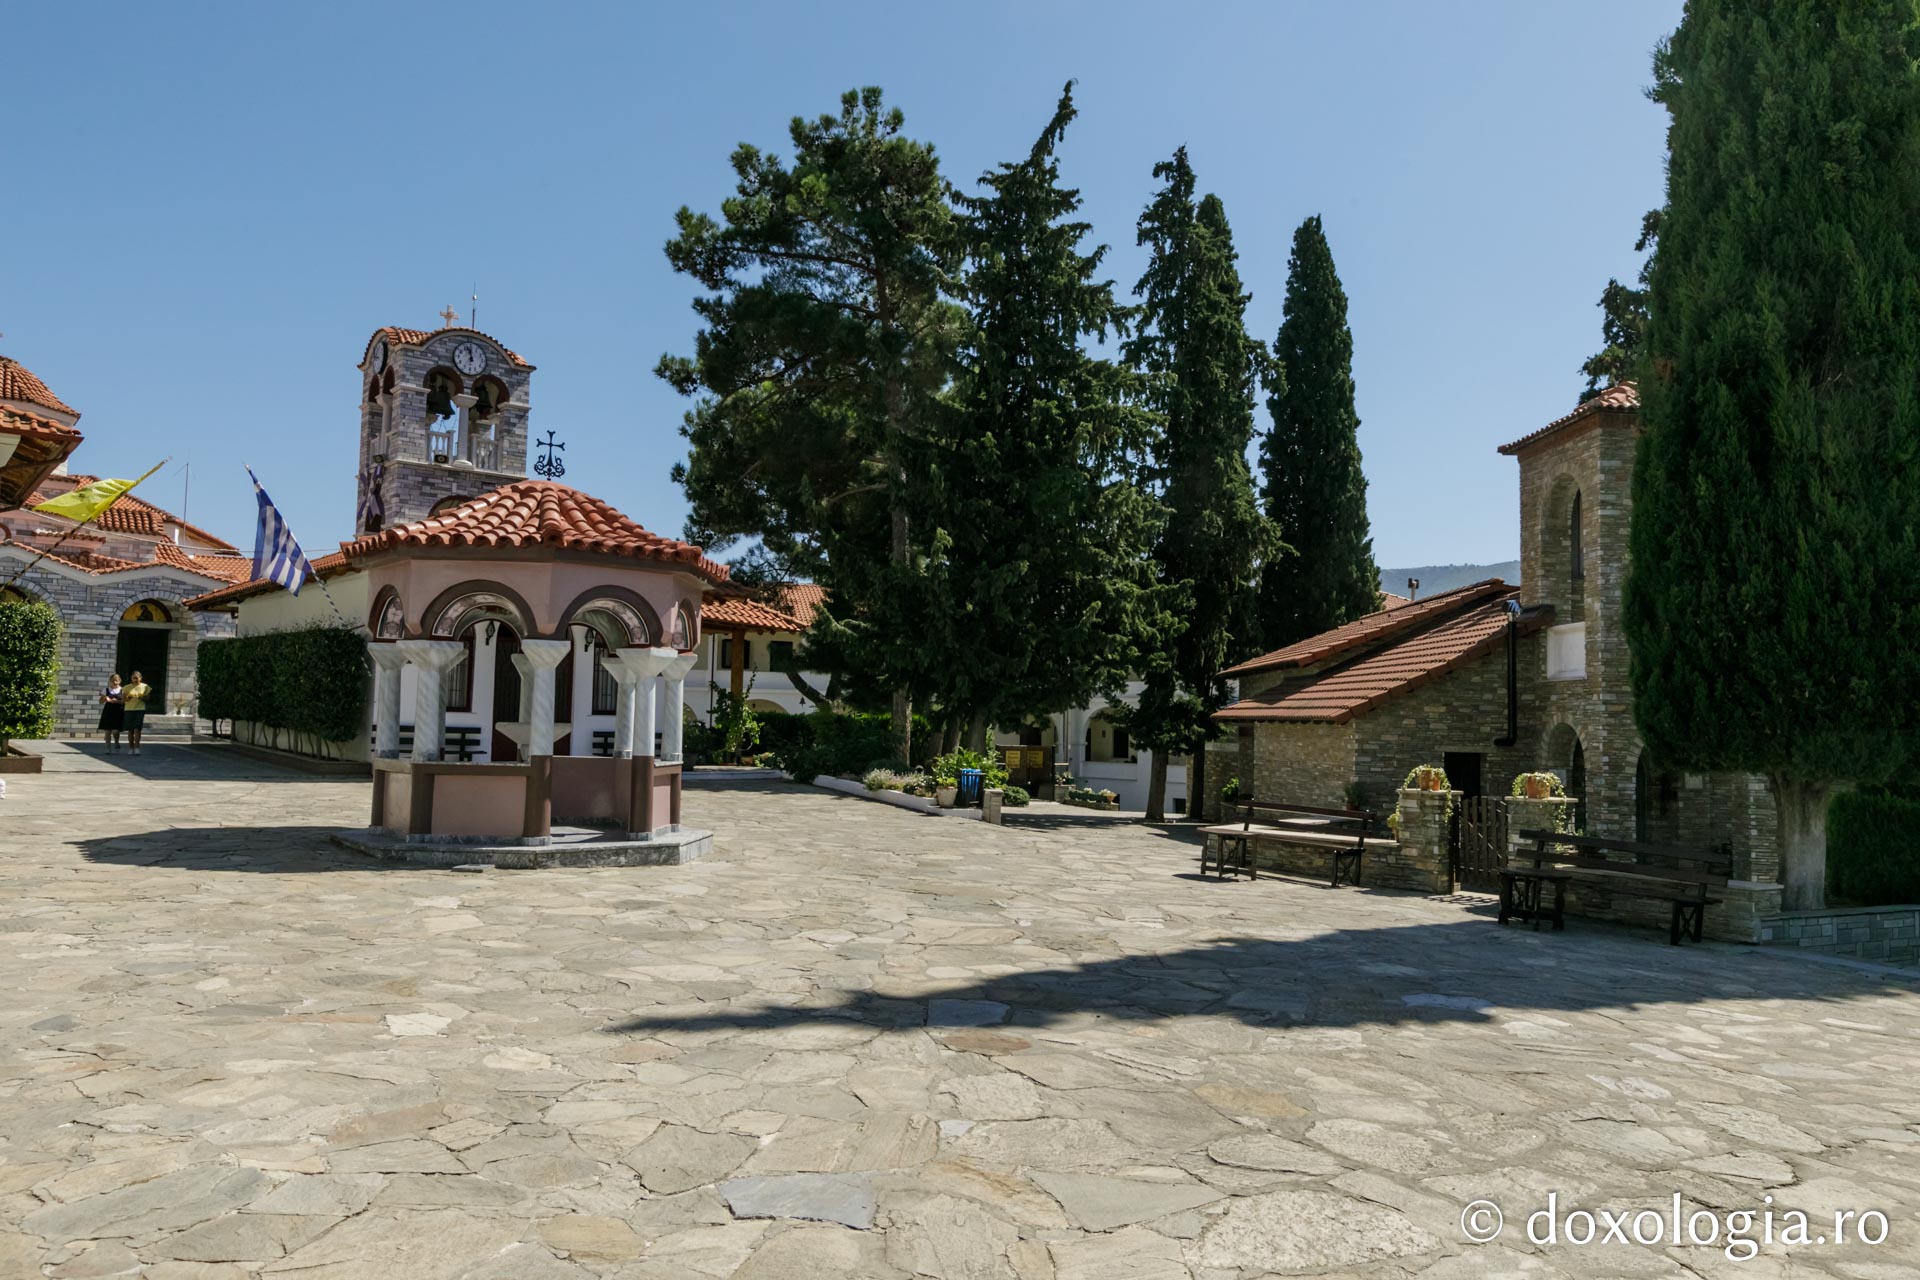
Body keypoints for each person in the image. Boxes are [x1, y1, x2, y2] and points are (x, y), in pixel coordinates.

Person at [122, 670, 152, 755]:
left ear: (140, 678)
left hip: (140, 709)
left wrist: (141, 697)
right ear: (131, 678)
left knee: (137, 729)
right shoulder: (127, 687)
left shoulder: (145, 687)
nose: (135, 680)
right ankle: (131, 747)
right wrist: (129, 698)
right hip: (129, 709)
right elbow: (123, 699)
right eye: (133, 678)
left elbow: (148, 699)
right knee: (130, 730)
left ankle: (137, 747)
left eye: (137, 678)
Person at [97, 673, 125, 752]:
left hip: (118, 712)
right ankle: (108, 748)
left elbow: (124, 702)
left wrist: (117, 701)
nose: (114, 682)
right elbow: (100, 702)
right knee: (107, 731)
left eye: (116, 681)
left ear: (119, 681)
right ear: (110, 681)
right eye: (113, 681)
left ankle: (116, 742)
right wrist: (105, 698)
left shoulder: (122, 690)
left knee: (116, 731)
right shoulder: (105, 690)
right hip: (108, 712)